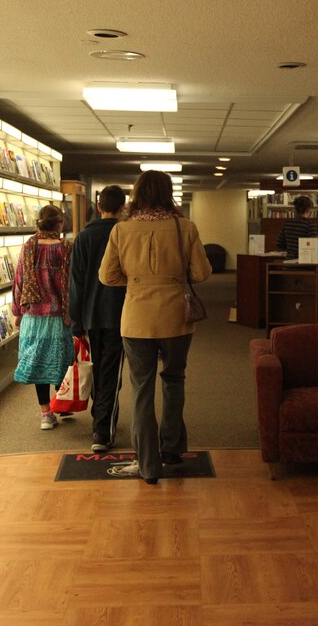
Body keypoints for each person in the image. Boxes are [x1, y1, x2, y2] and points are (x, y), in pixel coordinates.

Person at [98, 171, 211, 484]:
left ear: (136, 194)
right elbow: (201, 273)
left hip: (136, 318)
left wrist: (136, 282)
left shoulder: (121, 230)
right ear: (168, 193)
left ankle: (148, 465)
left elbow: (107, 277)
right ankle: (172, 448)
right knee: (174, 380)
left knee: (141, 389)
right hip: (176, 316)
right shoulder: (185, 227)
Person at [69, 184, 128, 454]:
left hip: (90, 314)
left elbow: (77, 282)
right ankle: (102, 431)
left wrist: (76, 321)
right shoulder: (124, 234)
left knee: (98, 366)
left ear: (99, 206)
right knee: (110, 372)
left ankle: (101, 418)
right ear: (122, 208)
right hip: (119, 312)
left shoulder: (83, 237)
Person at [11, 204, 74, 431]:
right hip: (59, 316)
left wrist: (18, 311)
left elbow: (19, 281)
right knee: (61, 361)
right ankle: (62, 403)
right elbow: (72, 284)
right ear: (59, 224)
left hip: (34, 317)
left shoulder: (29, 247)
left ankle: (46, 413)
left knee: (38, 365)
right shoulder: (66, 248)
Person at [274, 195, 318, 259]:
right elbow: (314, 247)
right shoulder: (309, 225)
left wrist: (291, 250)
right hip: (305, 264)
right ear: (308, 209)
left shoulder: (288, 223)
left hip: (289, 263)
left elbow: (279, 243)